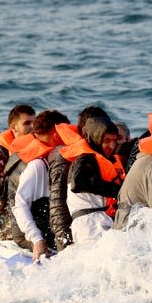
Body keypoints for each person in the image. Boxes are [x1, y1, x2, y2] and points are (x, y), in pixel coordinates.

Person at [49, 106, 112, 251]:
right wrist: (65, 243)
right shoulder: (65, 159)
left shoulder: (100, 156)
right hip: (77, 233)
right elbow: (57, 205)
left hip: (99, 225)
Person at [11, 110, 70, 260]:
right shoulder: (37, 166)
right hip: (28, 234)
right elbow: (20, 205)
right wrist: (37, 240)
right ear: (57, 134)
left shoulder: (57, 162)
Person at [61, 117, 123, 245]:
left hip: (95, 221)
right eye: (106, 140)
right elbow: (77, 183)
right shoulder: (85, 158)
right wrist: (117, 190)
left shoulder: (94, 158)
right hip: (89, 225)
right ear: (96, 138)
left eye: (114, 141)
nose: (111, 145)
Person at [0, 104, 35, 240]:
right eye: (27, 123)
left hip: (35, 220)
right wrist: (16, 180)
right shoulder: (0, 153)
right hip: (7, 227)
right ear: (13, 127)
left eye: (34, 122)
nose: (32, 127)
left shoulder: (38, 148)